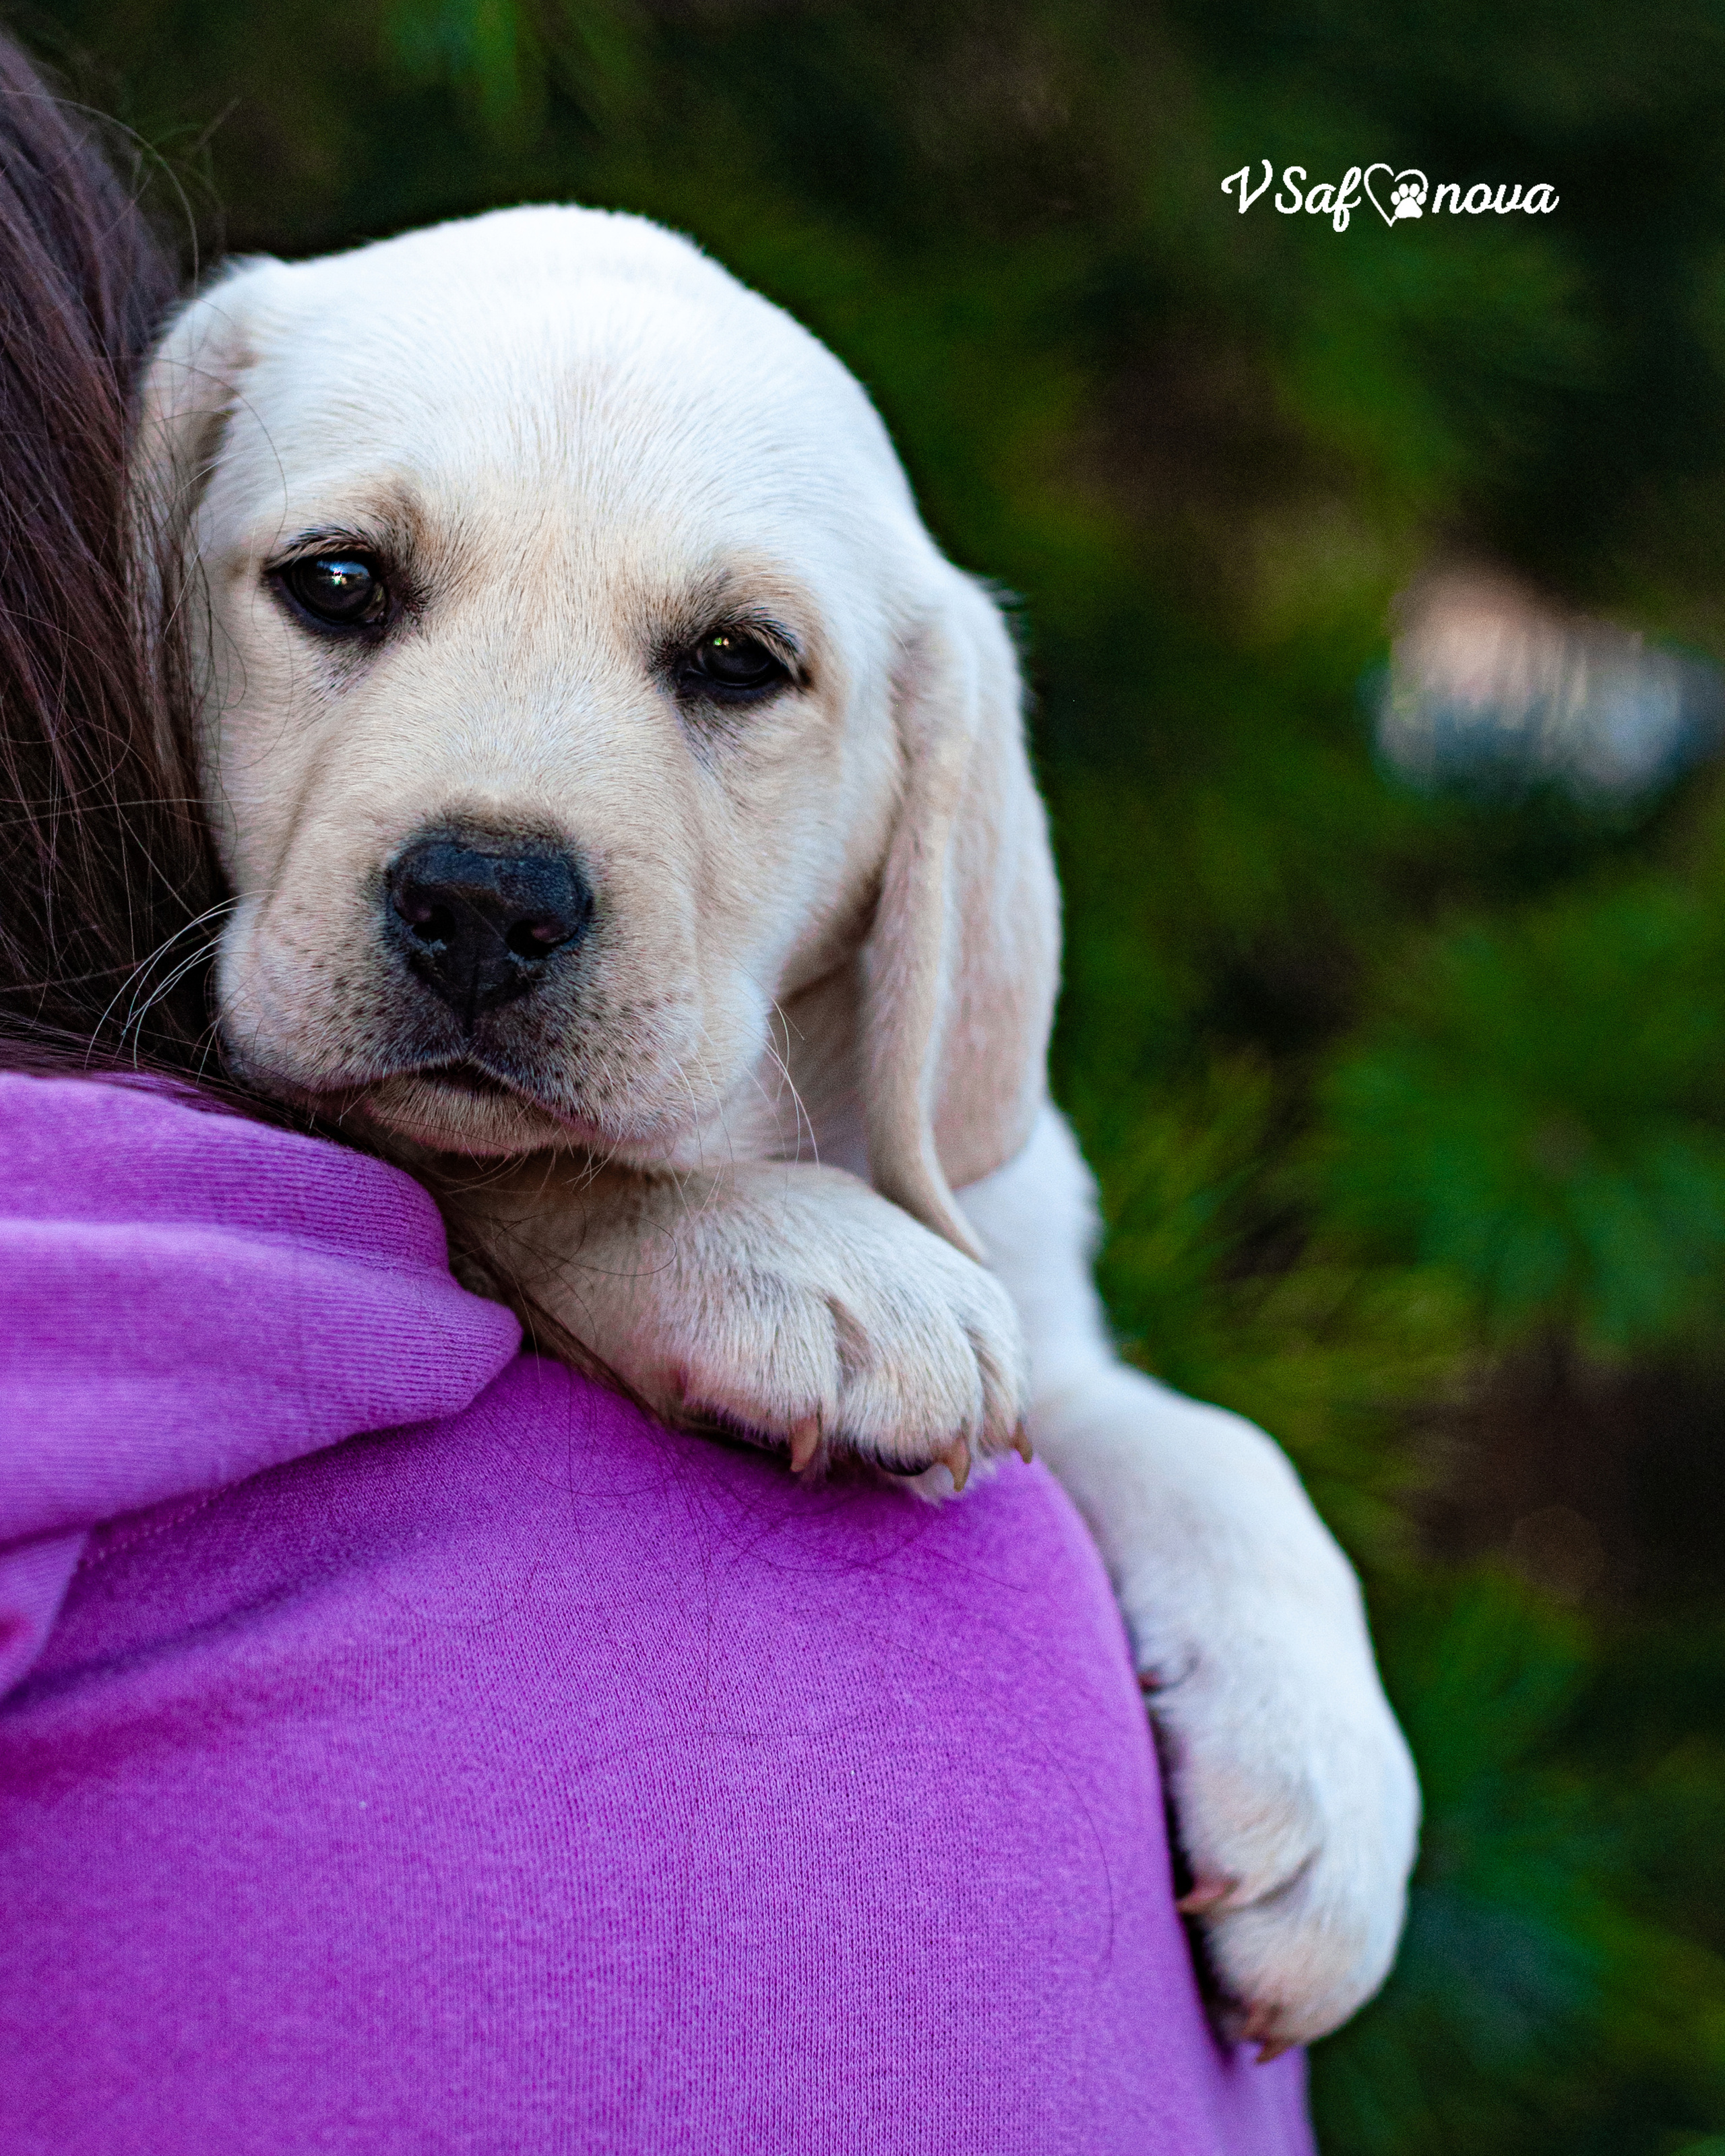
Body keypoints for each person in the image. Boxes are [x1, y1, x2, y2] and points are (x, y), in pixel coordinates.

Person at [0, 40, 1314, 2154]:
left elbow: (1024, 1325)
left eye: (728, 671)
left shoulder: (884, 1053)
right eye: (345, 592)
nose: (497, 852)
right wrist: (597, 1223)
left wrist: (1221, 1532)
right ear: (139, 583)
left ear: (920, 822)